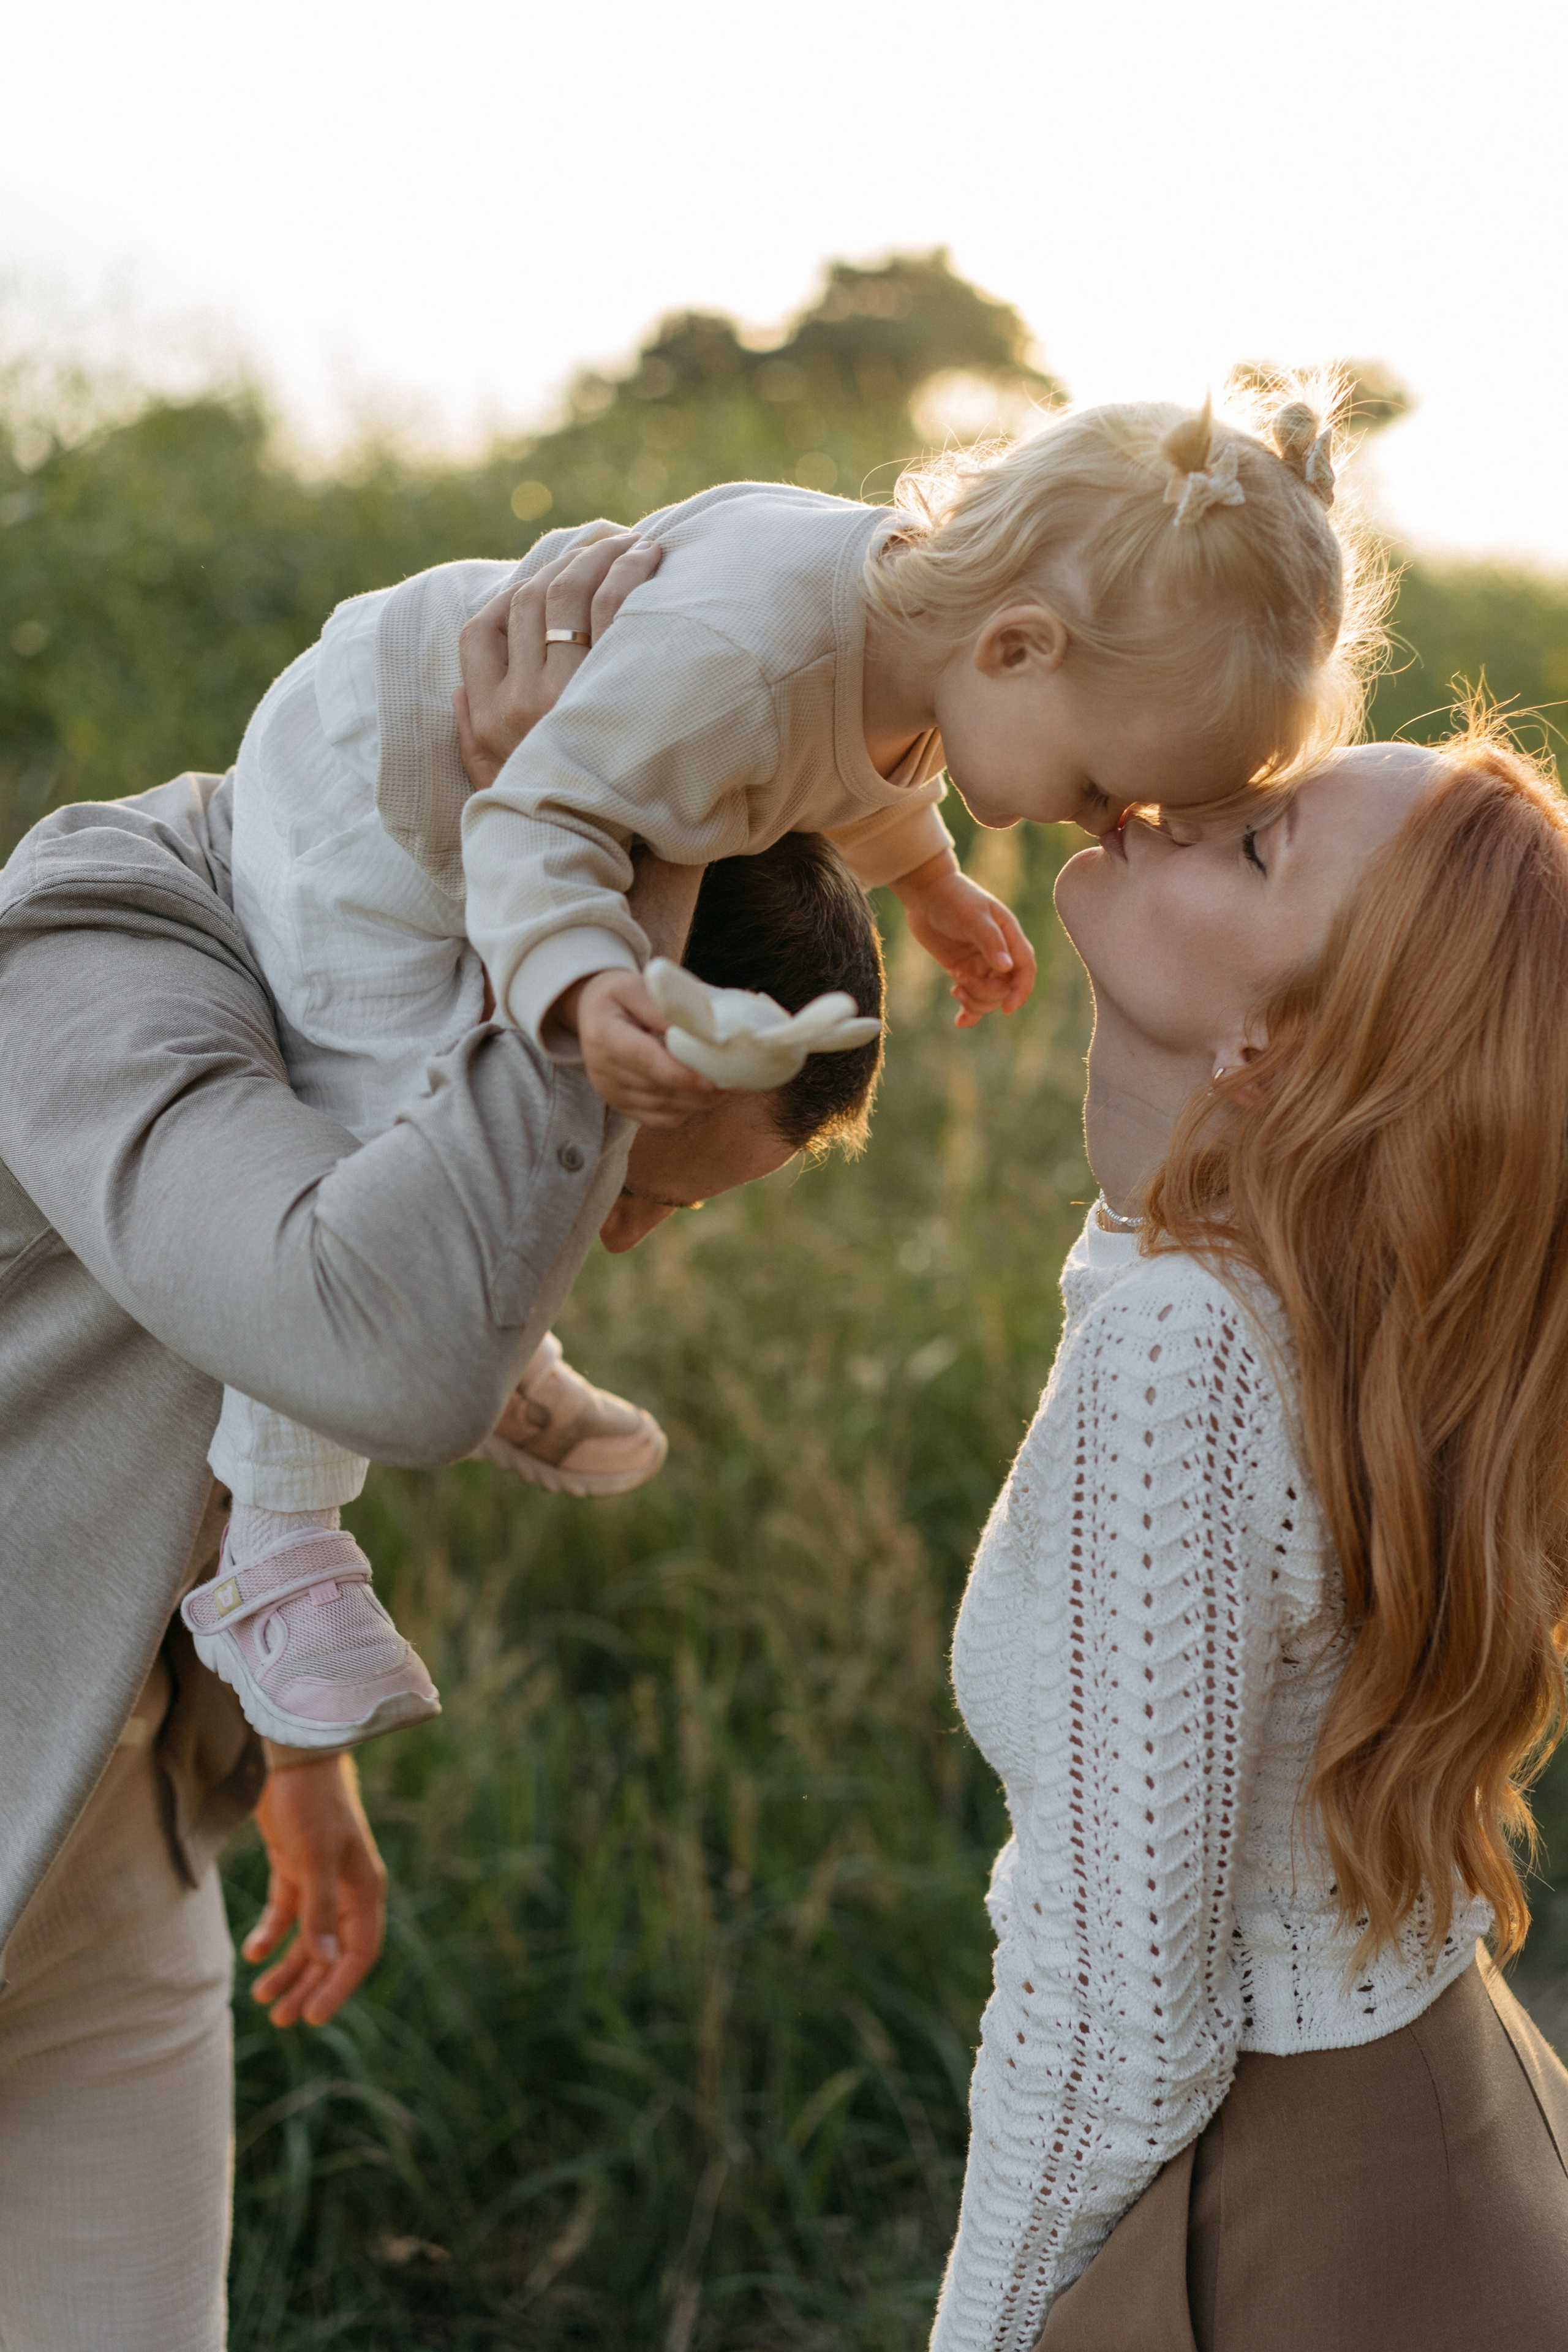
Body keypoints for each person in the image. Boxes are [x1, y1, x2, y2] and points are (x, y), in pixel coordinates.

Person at [205, 385, 1383, 1753]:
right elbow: (538, 818)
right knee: (360, 1141)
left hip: (485, 797)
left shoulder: (905, 635)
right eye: (1100, 786)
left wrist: (930, 883)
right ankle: (279, 1551)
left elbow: (857, 765)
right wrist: (587, 987)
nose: (1112, 823)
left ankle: (490, 1331)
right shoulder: (747, 655)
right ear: (1018, 648)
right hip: (369, 793)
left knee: (494, 1133)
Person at [0, 581, 884, 2352]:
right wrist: (552, 891)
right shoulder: (89, 948)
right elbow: (372, 1339)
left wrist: (285, 1752)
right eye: (628, 1181)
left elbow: (222, 1382)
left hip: (104, 1855)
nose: (606, 1241)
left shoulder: (339, 1023)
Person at [933, 734, 1568, 2350]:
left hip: (1282, 2217)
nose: (1178, 803)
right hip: (1440, 2129)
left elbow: (1115, 2034)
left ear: (1272, 1047)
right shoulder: (1301, 1299)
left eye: (1260, 842)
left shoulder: (1186, 1344)